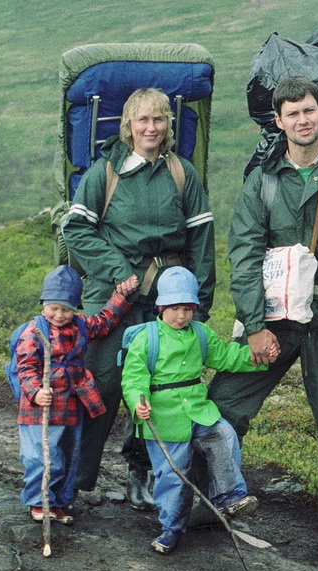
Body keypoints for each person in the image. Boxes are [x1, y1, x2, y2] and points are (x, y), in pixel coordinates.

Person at [207, 76, 318, 569]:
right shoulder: (262, 180)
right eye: (292, 113)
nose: (302, 120)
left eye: (309, 110)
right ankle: (211, 498)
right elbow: (243, 253)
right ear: (278, 121)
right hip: (275, 320)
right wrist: (253, 324)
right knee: (223, 407)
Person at [62, 88, 216, 510]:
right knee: (98, 385)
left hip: (167, 298)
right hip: (111, 298)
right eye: (142, 120)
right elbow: (75, 230)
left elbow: (202, 240)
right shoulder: (105, 172)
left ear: (169, 126)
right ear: (128, 126)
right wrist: (117, 270)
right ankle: (71, 481)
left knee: (158, 389)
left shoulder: (183, 174)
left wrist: (199, 302)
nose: (151, 128)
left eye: (160, 120)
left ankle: (142, 476)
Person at [121, 267, 265, 554]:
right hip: (163, 417)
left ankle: (230, 496)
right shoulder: (147, 338)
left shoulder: (200, 333)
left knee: (224, 434)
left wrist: (255, 357)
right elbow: (134, 376)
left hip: (198, 410)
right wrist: (139, 401)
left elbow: (224, 357)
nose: (181, 316)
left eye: (187, 308)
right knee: (173, 475)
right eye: (174, 308)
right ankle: (170, 529)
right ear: (161, 307)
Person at [15, 265, 136, 524]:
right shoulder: (33, 332)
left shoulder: (80, 325)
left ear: (76, 309)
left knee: (67, 456)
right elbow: (25, 367)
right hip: (40, 408)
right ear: (43, 305)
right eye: (54, 308)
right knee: (42, 456)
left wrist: (120, 298)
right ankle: (39, 501)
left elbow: (103, 322)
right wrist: (36, 392)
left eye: (66, 309)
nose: (59, 315)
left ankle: (58, 502)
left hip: (70, 405)